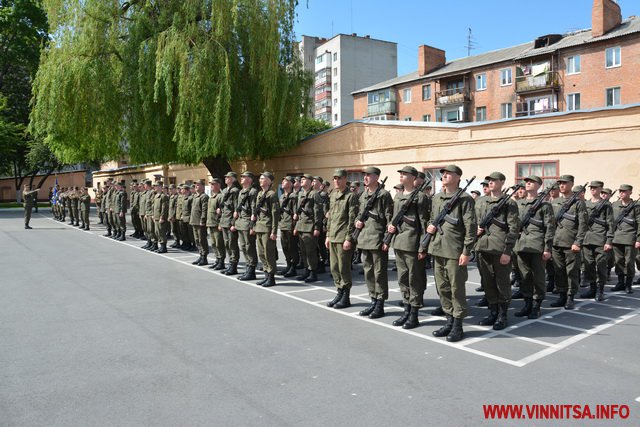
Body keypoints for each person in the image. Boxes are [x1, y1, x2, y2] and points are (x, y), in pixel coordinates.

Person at [425, 165, 477, 341]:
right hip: (437, 248)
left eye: (449, 173)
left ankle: (458, 325)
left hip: (455, 251)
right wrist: (430, 227)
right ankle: (448, 321)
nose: (445, 176)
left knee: (456, 289)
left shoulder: (465, 199)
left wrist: (466, 251)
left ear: (458, 177)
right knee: (443, 288)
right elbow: (432, 218)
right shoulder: (437, 198)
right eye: (443, 174)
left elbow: (471, 228)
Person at [475, 172, 521, 330]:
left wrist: (507, 251)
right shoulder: (481, 201)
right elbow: (474, 221)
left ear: (502, 182)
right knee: (487, 281)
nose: (491, 183)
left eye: (494, 180)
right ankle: (492, 311)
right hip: (482, 247)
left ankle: (502, 314)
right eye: (489, 180)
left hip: (500, 248)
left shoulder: (509, 203)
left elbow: (514, 228)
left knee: (502, 283)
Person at [386, 166, 429, 329]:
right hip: (399, 242)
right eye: (401, 174)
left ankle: (414, 313)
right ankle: (406, 308)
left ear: (413, 177)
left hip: (412, 243)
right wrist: (390, 226)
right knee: (403, 278)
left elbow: (424, 223)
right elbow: (393, 218)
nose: (401, 177)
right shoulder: (397, 196)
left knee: (414, 279)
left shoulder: (420, 197)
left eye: (405, 175)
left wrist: (422, 247)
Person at [513, 176, 555, 319]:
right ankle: (527, 303)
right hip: (521, 245)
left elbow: (550, 227)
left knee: (538, 278)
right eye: (526, 182)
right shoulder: (519, 204)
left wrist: (547, 248)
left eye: (531, 182)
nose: (528, 183)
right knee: (524, 277)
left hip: (537, 246)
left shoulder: (544, 205)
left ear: (538, 185)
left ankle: (536, 306)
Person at [354, 166, 393, 318]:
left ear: (376, 177)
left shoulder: (384, 195)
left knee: (379, 273)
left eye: (368, 175)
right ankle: (373, 299)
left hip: (377, 238)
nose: (365, 178)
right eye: (364, 175)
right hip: (364, 238)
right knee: (368, 272)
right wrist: (357, 222)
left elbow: (389, 218)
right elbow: (359, 214)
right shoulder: (363, 195)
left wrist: (386, 239)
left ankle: (380, 303)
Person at [549, 176, 588, 309]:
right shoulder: (555, 202)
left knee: (571, 271)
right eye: (560, 183)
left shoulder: (578, 203)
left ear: (571, 184)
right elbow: (549, 223)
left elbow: (583, 224)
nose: (561, 186)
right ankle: (562, 295)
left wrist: (578, 242)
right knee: (558, 271)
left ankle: (570, 297)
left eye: (564, 183)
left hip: (571, 243)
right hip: (556, 242)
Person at [325, 169, 358, 308]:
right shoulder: (333, 195)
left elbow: (352, 219)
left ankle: (346, 296)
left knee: (344, 268)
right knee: (334, 267)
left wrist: (348, 238)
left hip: (343, 236)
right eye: (334, 178)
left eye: (339, 178)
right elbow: (330, 217)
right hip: (333, 236)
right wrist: (327, 235)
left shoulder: (351, 196)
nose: (336, 181)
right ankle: (339, 291)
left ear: (345, 179)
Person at [581, 180, 614, 301]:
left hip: (600, 240)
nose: (593, 189)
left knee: (601, 266)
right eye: (591, 187)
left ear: (601, 189)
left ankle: (600, 290)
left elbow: (610, 224)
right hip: (586, 240)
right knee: (588, 266)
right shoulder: (585, 204)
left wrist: (609, 241)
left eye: (595, 187)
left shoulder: (606, 205)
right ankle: (592, 288)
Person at [610, 184, 640, 294]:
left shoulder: (636, 206)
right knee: (618, 261)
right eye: (620, 191)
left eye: (624, 191)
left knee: (629, 262)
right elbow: (610, 221)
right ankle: (620, 282)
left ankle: (628, 284)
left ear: (630, 192)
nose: (621, 193)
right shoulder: (615, 205)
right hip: (617, 238)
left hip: (630, 238)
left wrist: (638, 239)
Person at [294, 174, 323, 283]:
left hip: (310, 226)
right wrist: (296, 225)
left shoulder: (314, 194)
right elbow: (299, 211)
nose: (301, 180)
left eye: (304, 179)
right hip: (301, 226)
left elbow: (318, 212)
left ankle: (313, 272)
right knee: (303, 251)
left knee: (311, 251)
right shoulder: (301, 193)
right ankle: (307, 270)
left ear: (311, 182)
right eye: (301, 179)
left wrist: (317, 227)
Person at [254, 172, 280, 287]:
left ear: (269, 181)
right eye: (260, 179)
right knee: (261, 253)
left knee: (269, 253)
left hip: (267, 227)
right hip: (259, 226)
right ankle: (266, 275)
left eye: (263, 178)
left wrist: (274, 231)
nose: (260, 180)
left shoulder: (271, 194)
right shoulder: (260, 193)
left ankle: (271, 277)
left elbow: (275, 214)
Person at [235, 171, 259, 280]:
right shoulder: (241, 192)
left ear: (249, 179)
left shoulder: (253, 192)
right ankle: (248, 266)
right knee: (244, 247)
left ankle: (252, 269)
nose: (241, 178)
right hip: (241, 222)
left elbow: (254, 209)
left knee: (250, 247)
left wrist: (252, 225)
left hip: (247, 222)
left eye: (244, 177)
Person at [279, 176, 299, 277]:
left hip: (290, 225)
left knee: (292, 248)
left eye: (286, 181)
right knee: (285, 247)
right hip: (283, 225)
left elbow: (296, 214)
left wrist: (295, 227)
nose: (283, 182)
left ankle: (293, 267)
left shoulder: (294, 196)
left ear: (291, 184)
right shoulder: (282, 196)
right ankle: (288, 265)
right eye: (283, 181)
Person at [221, 172, 241, 275]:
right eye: (226, 177)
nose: (226, 179)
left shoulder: (235, 191)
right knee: (226, 244)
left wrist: (233, 223)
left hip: (230, 221)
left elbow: (236, 208)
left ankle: (234, 265)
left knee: (232, 244)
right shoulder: (225, 190)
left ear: (233, 179)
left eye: (228, 177)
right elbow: (223, 208)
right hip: (224, 221)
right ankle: (230, 263)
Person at [207, 178, 226, 270]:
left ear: (218, 185)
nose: (211, 186)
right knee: (214, 243)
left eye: (213, 184)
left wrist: (220, 223)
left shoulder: (220, 196)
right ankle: (217, 259)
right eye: (211, 184)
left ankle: (221, 261)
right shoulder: (212, 197)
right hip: (211, 223)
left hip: (217, 223)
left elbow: (223, 211)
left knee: (219, 243)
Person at [190, 179, 210, 265]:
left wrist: (203, 221)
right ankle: (201, 255)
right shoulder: (195, 196)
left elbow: (204, 210)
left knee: (202, 240)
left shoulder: (204, 197)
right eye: (195, 185)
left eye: (198, 185)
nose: (196, 186)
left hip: (200, 222)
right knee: (197, 240)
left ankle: (204, 257)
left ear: (202, 186)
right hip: (194, 221)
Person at [152, 180, 169, 253]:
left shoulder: (163, 196)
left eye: (156, 186)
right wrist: (153, 215)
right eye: (155, 186)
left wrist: (162, 217)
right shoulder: (156, 195)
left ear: (160, 187)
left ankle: (163, 247)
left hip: (160, 217)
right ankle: (160, 245)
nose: (155, 187)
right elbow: (154, 207)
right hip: (156, 216)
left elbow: (164, 208)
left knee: (161, 232)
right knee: (157, 232)